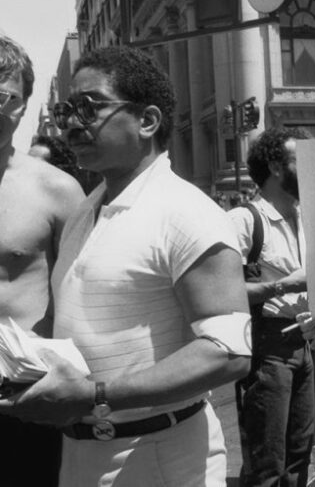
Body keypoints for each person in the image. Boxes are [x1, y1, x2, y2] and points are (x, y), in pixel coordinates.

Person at [0, 45, 251, 487]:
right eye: (65, 110)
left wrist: (95, 395)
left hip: (160, 456)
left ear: (147, 120)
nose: (72, 124)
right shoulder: (88, 209)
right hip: (81, 452)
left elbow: (228, 353)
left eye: (89, 107)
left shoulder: (186, 212)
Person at [0, 35, 84, 487]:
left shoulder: (57, 190)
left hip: (23, 391)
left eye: (3, 96)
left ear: (24, 104)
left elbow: (84, 292)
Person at [228, 127, 315, 487]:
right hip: (266, 350)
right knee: (266, 460)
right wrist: (282, 286)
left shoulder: (307, 217)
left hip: (305, 344)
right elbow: (221, 292)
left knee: (300, 452)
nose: (311, 170)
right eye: (301, 160)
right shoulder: (244, 220)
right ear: (275, 166)